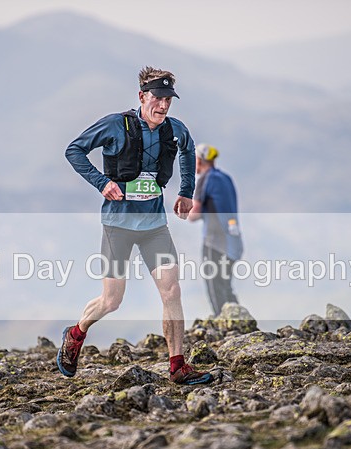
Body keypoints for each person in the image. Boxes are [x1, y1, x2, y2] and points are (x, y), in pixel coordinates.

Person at [58, 66, 212, 386]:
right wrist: (102, 183)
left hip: (155, 225)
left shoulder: (174, 129)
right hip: (119, 224)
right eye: (158, 98)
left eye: (169, 99)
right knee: (112, 301)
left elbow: (187, 149)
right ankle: (76, 333)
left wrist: (185, 192)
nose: (164, 105)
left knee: (172, 290)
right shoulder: (116, 125)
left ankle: (177, 365)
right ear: (142, 96)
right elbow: (74, 150)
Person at [188, 143, 243, 316]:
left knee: (214, 285)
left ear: (199, 160)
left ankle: (223, 322)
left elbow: (193, 213)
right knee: (225, 285)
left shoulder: (206, 179)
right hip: (233, 241)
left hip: (215, 242)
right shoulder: (225, 178)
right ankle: (239, 319)